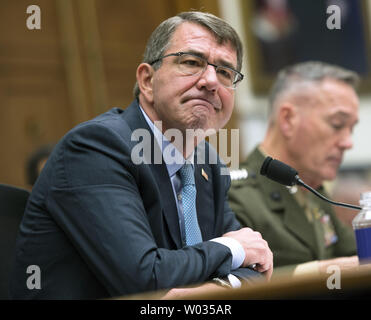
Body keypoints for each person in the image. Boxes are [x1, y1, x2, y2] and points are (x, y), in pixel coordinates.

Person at [10, 11, 273, 299]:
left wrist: (217, 287)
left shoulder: (206, 160)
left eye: (225, 72)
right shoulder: (96, 148)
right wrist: (231, 248)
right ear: (147, 80)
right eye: (192, 62)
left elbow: (256, 266)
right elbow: (145, 276)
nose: (211, 81)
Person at [228, 61, 359, 276]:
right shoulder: (235, 195)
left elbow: (354, 255)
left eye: (351, 129)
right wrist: (318, 272)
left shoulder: (310, 184)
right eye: (337, 124)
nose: (348, 142)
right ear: (288, 119)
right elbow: (235, 284)